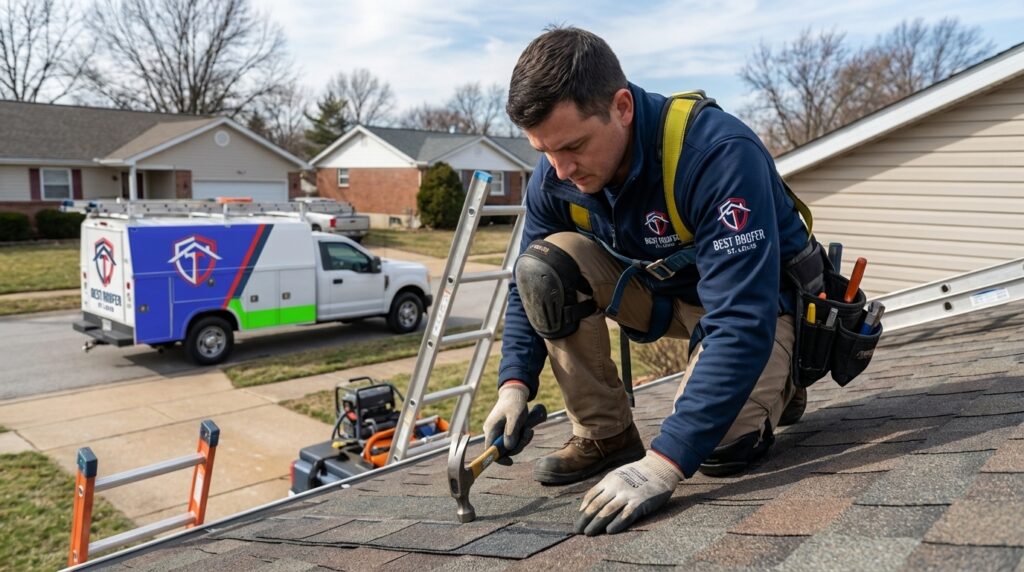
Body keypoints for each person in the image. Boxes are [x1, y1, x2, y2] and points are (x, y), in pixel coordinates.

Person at [482, 26, 811, 536]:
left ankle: (783, 379)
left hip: (759, 308)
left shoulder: (717, 153)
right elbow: (530, 284)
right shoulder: (556, 176)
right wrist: (514, 384)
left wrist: (664, 463)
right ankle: (605, 434)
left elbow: (742, 317)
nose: (561, 169)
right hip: (663, 300)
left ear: (622, 107)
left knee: (718, 449)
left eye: (573, 146)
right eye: (544, 150)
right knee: (545, 264)